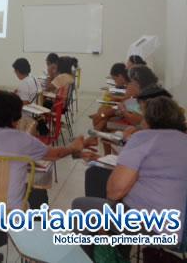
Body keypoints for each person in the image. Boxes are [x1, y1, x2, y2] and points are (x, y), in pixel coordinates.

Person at [0, 91, 88, 263]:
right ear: (15, 117)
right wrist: (73, 147)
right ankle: (32, 251)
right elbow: (56, 154)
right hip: (10, 214)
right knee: (38, 195)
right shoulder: (22, 140)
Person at [73, 96, 187, 258]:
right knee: (99, 180)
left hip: (153, 226)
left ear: (149, 119)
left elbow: (115, 191)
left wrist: (130, 143)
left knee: (82, 206)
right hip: (179, 228)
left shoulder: (144, 137)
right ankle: (116, 249)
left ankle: (94, 257)